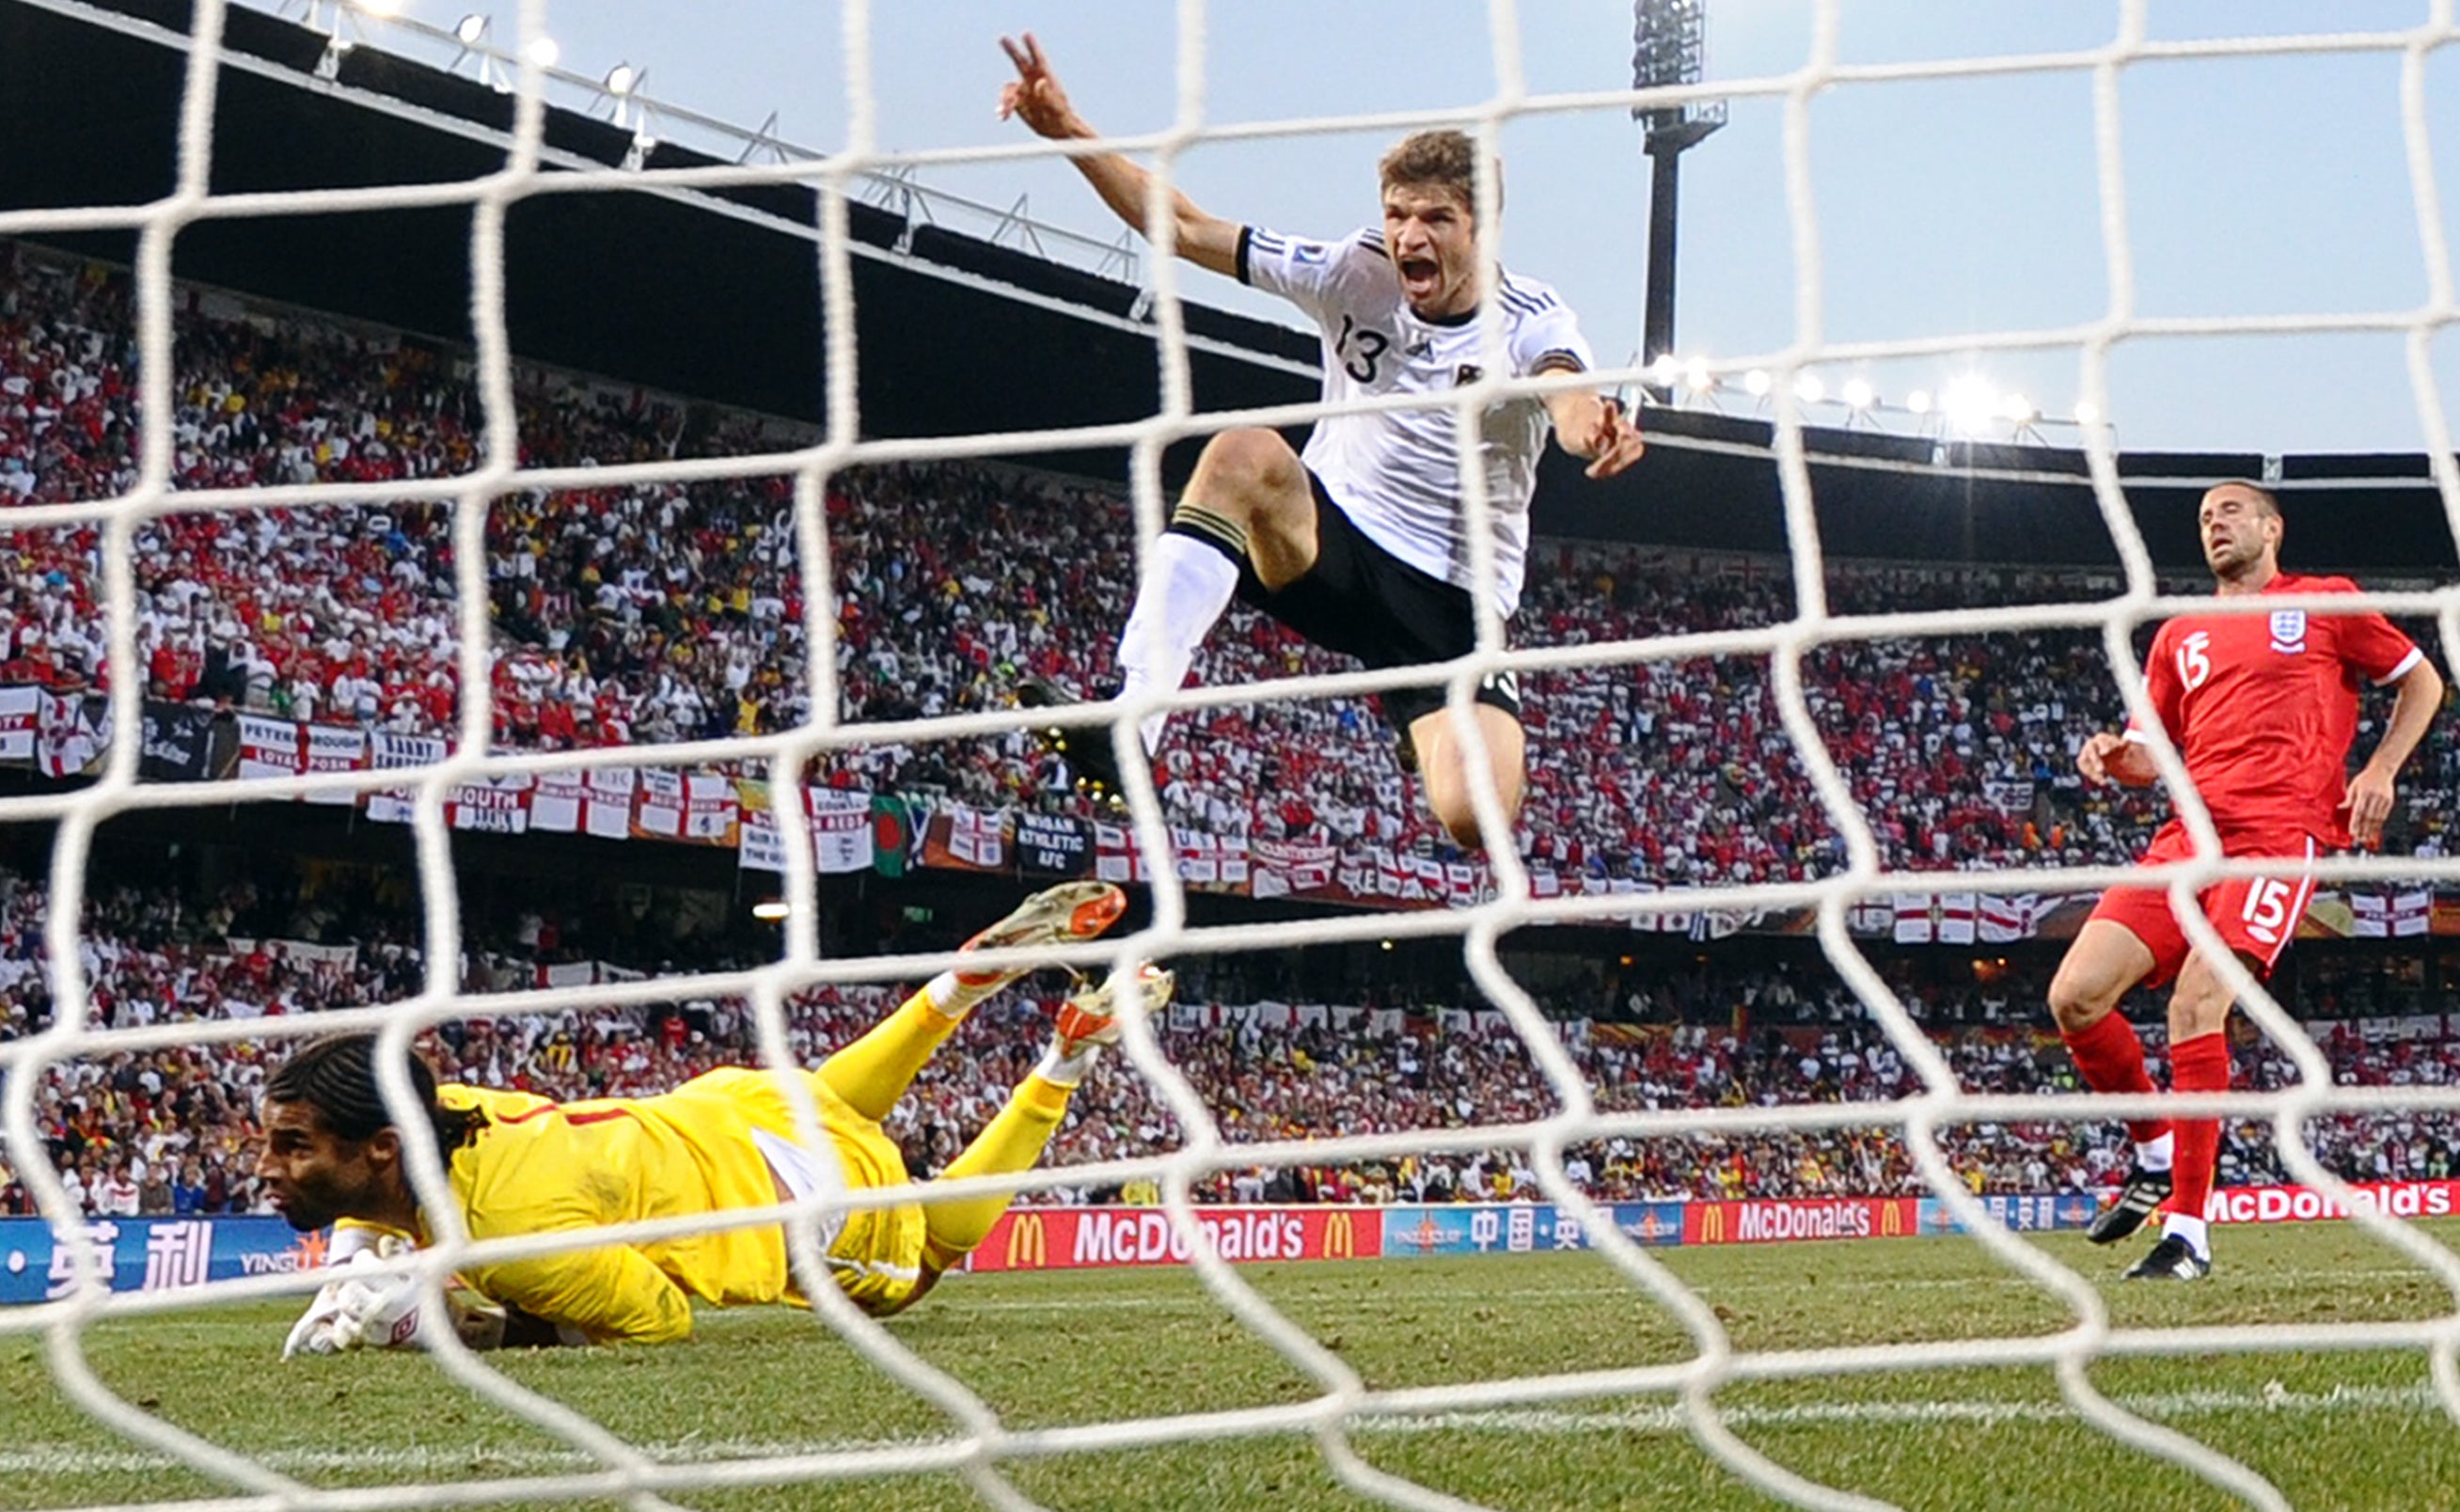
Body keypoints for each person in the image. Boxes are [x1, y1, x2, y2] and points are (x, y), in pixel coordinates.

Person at [997, 33, 1646, 851]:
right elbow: (1187, 227)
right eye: (1399, 214)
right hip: (1331, 543)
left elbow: (1565, 389)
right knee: (1244, 452)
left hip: (1448, 606)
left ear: (1483, 228)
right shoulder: (1352, 271)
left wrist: (1593, 430)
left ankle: (1437, 718)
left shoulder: (1529, 319)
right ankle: (1132, 725)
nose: (1411, 236)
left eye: (1436, 219)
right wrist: (1073, 134)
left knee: (1474, 816)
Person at [264, 882, 1163, 1349]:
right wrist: (353, 1263)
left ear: (381, 1149)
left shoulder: (513, 1239)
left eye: (292, 1146)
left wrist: (470, 1324)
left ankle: (1068, 1053)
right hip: (724, 1103)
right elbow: (386, 1145)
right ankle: (950, 992)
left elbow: (657, 1319)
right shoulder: (445, 1109)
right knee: (834, 1099)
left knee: (925, 1255)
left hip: (787, 1196)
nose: (269, 1165)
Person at [2048, 480, 2442, 1280]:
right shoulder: (2178, 636)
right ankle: (2155, 1149)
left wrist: (2381, 769)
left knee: (2198, 1001)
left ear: (2272, 526)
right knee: (2074, 996)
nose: (2214, 524)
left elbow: (2422, 680)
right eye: (2203, 518)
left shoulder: (2326, 602)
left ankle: (2188, 1234)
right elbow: (2147, 754)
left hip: (2276, 835)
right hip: (2184, 839)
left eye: (2230, 511)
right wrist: (2113, 757)